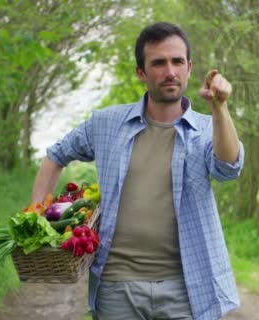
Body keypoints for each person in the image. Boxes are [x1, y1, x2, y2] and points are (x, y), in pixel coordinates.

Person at [30, 22, 244, 320]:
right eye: (158, 63)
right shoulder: (106, 123)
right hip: (117, 286)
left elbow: (228, 168)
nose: (170, 71)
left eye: (177, 61)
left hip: (186, 288)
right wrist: (37, 218)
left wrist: (220, 108)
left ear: (189, 67)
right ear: (141, 73)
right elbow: (54, 157)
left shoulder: (209, 129)